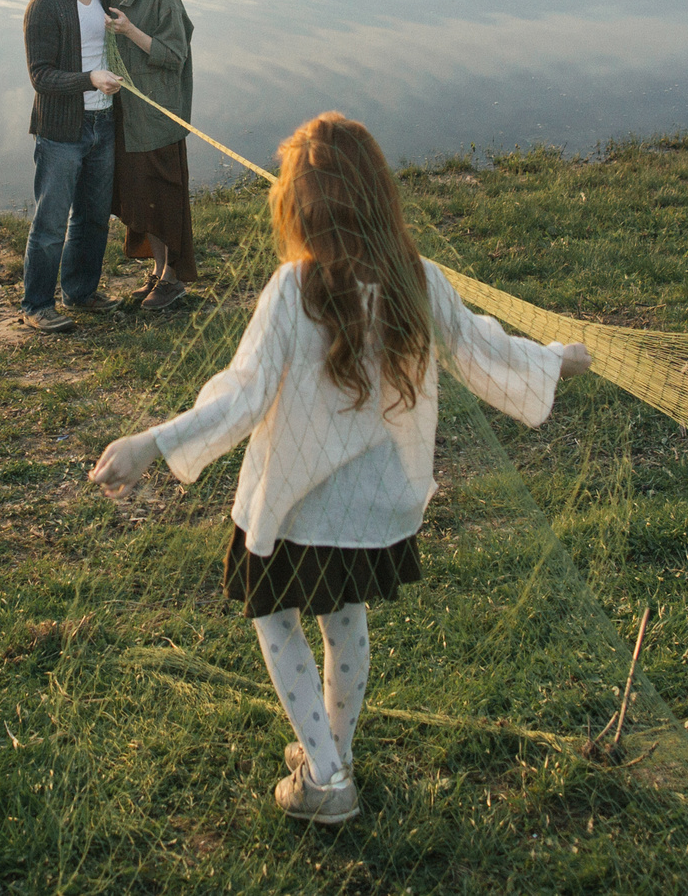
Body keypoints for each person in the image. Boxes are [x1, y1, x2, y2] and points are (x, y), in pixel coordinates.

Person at [87, 112, 594, 824]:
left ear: (300, 207)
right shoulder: (418, 278)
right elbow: (483, 347)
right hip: (369, 506)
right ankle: (337, 751)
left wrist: (151, 443)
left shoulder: (292, 290)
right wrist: (555, 359)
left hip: (296, 503)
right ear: (379, 195)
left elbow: (242, 393)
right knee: (342, 616)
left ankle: (326, 773)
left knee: (272, 616)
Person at [20, 0, 124, 330]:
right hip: (62, 130)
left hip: (103, 123)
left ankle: (80, 292)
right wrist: (89, 79)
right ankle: (37, 306)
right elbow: (40, 76)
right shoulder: (45, 4)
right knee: (50, 222)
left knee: (94, 216)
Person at [99, 0, 198, 310]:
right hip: (126, 114)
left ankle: (173, 281)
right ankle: (158, 272)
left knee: (165, 198)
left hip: (158, 118)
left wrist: (130, 32)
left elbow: (174, 56)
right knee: (142, 198)